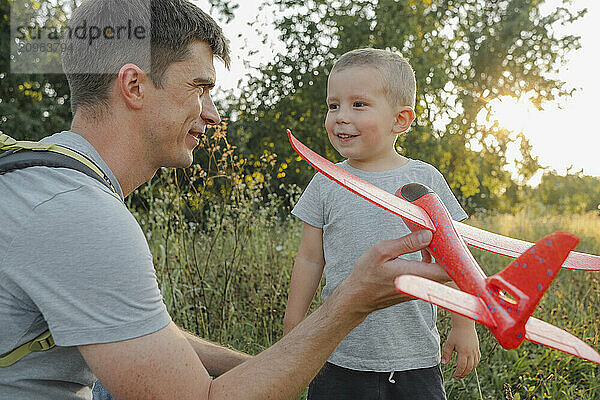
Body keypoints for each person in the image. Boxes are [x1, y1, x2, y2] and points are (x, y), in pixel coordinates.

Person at [0, 1, 453, 399]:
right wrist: (349, 303)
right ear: (134, 87)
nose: (214, 115)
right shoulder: (81, 216)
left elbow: (138, 333)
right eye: (200, 88)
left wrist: (257, 367)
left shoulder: (47, 179)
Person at [283, 48, 481, 400]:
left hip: (414, 356)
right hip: (336, 353)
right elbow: (310, 259)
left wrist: (464, 323)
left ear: (400, 120)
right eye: (333, 105)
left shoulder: (424, 180)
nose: (341, 117)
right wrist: (294, 328)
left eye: (359, 104)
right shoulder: (326, 180)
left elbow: (455, 257)